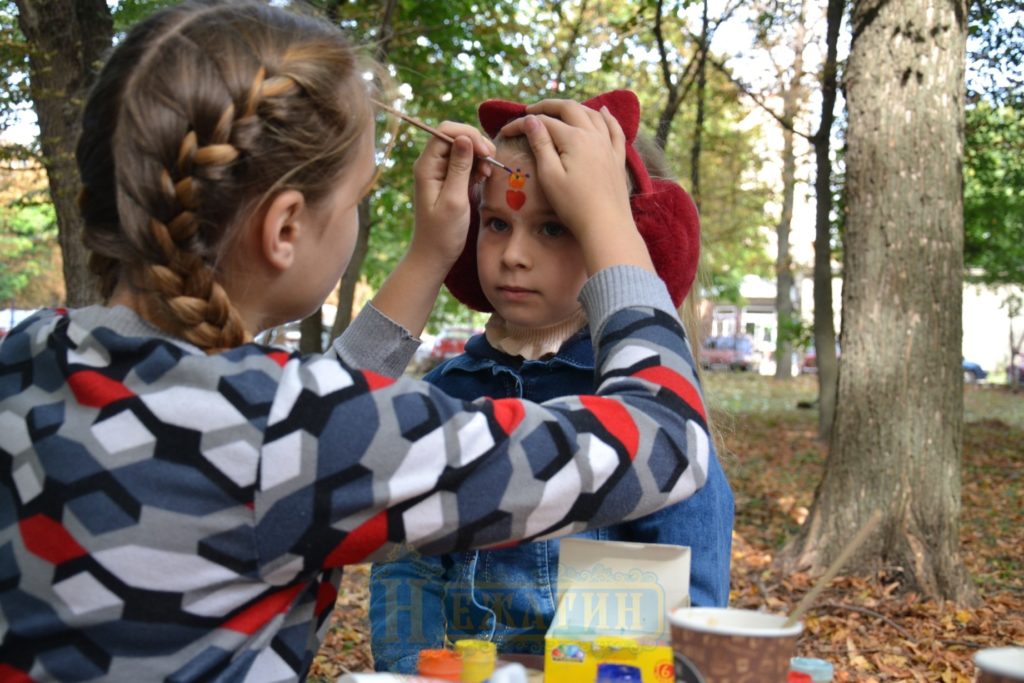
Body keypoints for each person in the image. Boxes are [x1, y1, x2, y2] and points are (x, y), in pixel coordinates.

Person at [0, 2, 713, 681]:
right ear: (285, 228)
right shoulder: (290, 437)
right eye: (359, 195)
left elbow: (296, 434)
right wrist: (610, 224)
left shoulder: (29, 360)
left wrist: (429, 256)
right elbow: (667, 441)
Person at [368, 91, 734, 672]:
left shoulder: (650, 412)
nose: (514, 255)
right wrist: (413, 668)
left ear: (611, 236)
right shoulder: (441, 395)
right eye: (496, 223)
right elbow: (406, 567)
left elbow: (694, 609)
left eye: (555, 229)